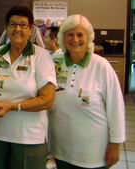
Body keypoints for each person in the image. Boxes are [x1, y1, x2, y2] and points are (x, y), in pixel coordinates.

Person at [49, 14, 125, 169]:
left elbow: (116, 108)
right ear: (63, 38)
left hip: (92, 153)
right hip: (60, 150)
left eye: (80, 34)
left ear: (89, 37)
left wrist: (115, 143)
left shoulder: (101, 66)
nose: (75, 39)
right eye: (70, 34)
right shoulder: (54, 62)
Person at [0, 5, 57, 169]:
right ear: (6, 28)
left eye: (23, 25)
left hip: (29, 138)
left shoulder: (41, 57)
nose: (17, 29)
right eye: (13, 24)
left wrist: (11, 107)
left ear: (31, 29)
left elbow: (47, 100)